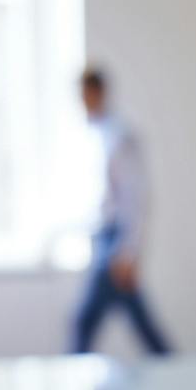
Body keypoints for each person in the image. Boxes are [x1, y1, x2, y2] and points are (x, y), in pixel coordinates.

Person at [69, 66, 174, 357]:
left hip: (114, 242)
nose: (81, 102)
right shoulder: (97, 135)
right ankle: (176, 370)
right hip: (103, 237)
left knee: (84, 322)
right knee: (139, 322)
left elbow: (136, 198)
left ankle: (69, 378)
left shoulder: (120, 136)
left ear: (97, 92)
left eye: (84, 95)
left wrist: (129, 250)